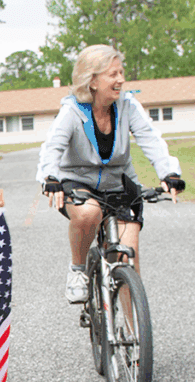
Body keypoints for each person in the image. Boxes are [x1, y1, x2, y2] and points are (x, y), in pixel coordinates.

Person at [35, 44, 185, 303]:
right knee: (89, 213)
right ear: (92, 80)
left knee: (126, 258)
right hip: (77, 182)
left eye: (121, 72)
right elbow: (53, 147)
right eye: (113, 74)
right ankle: (78, 270)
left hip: (119, 184)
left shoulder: (128, 105)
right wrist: (50, 178)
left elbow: (150, 139)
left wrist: (169, 172)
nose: (121, 80)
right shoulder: (72, 111)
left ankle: (132, 334)